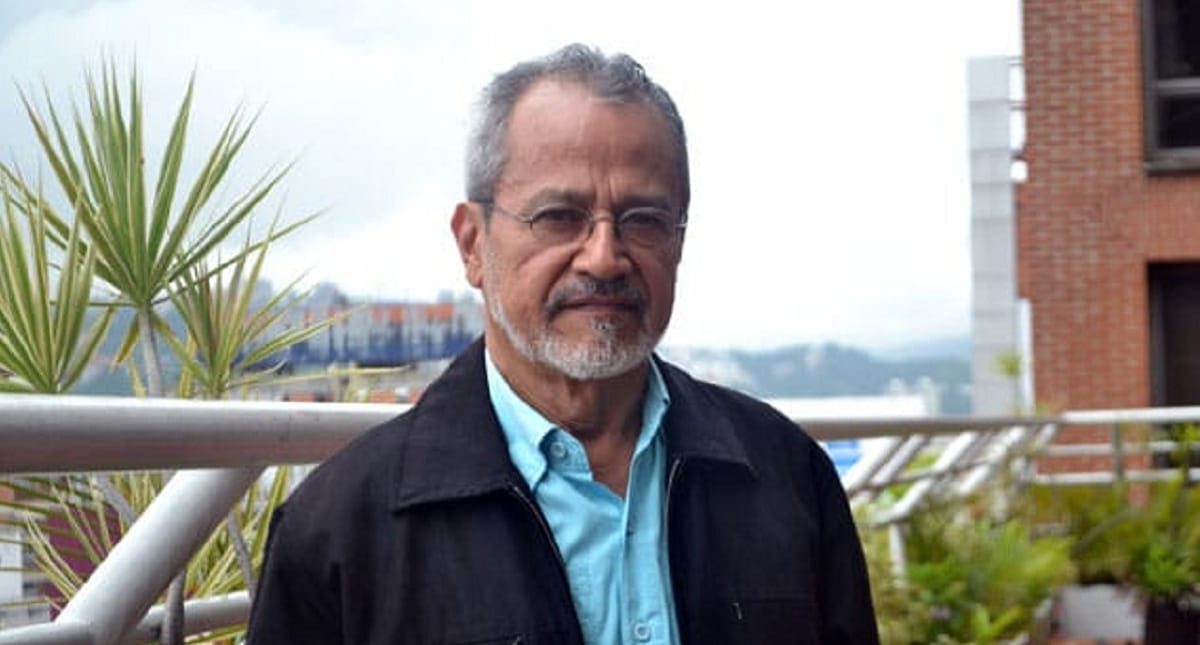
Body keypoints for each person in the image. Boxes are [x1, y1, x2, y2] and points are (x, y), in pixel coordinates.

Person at [246, 44, 879, 645]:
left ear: (679, 241)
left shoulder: (789, 476)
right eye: (558, 217)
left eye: (643, 219)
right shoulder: (340, 534)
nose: (604, 257)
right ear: (472, 244)